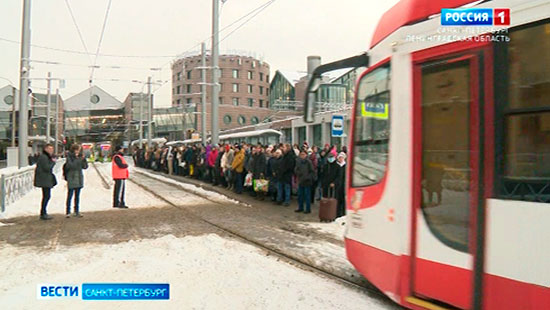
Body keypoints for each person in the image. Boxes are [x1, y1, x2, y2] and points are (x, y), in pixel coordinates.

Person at [64, 144, 89, 218]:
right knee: (70, 195)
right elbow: (72, 166)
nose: (78, 151)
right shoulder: (69, 157)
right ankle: (68, 211)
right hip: (72, 177)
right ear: (74, 150)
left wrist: (84, 160)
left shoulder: (80, 157)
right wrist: (79, 159)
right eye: (77, 149)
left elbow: (85, 167)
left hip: (79, 177)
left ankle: (76, 211)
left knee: (77, 196)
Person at [34, 144, 57, 220]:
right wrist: (53, 162)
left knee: (46, 196)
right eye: (50, 149)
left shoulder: (45, 157)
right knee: (46, 196)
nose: (51, 151)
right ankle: (43, 213)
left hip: (45, 179)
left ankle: (43, 212)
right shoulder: (44, 157)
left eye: (52, 149)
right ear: (46, 149)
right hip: (44, 179)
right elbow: (47, 168)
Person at [335, 152, 347, 217]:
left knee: (344, 200)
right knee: (337, 200)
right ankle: (337, 213)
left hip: (344, 185)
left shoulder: (346, 166)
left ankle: (343, 213)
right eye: (339, 157)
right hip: (338, 185)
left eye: (342, 157)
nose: (340, 159)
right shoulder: (336, 166)